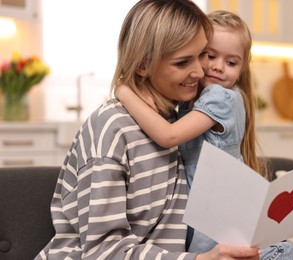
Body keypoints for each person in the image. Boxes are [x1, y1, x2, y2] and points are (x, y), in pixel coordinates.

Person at [35, 0, 260, 259]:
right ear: (142, 65)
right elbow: (102, 253)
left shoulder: (178, 121)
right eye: (183, 62)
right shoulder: (113, 128)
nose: (201, 71)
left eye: (201, 55)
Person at [114, 7, 293, 260]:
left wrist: (124, 91)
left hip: (216, 204)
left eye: (231, 62)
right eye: (209, 55)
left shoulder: (221, 98)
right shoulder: (192, 99)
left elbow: (169, 136)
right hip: (204, 208)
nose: (217, 67)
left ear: (242, 68)